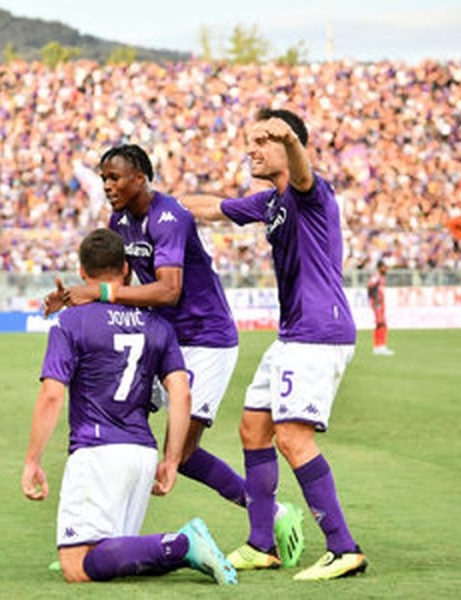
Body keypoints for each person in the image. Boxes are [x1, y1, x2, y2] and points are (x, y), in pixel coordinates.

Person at [45, 144, 306, 568]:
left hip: (205, 339)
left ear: (141, 179)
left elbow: (169, 289)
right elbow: (118, 281)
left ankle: (273, 514)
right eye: (104, 178)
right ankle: (95, 540)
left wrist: (100, 293)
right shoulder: (121, 221)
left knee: (179, 455)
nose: (107, 185)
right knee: (115, 427)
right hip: (161, 335)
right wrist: (79, 302)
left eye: (115, 178)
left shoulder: (170, 218)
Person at [182, 108, 368, 581]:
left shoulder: (311, 192)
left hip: (317, 334)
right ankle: (262, 543)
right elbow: (213, 207)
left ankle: (344, 547)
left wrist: (289, 139)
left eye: (262, 142)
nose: (251, 149)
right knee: (253, 429)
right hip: (292, 336)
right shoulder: (270, 203)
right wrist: (158, 202)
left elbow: (303, 172)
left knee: (292, 437)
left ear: (288, 146)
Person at [21, 228, 237, 585]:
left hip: (98, 450)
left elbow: (52, 394)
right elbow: (181, 393)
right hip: (142, 454)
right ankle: (173, 549)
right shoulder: (157, 325)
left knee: (77, 565)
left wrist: (32, 460)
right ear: (126, 269)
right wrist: (171, 458)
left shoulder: (71, 323)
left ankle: (182, 545)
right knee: (108, 556)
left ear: (82, 273)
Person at [367, 260, 395, 355]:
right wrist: (375, 300)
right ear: (379, 267)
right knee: (381, 323)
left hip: (380, 303)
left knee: (382, 324)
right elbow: (370, 287)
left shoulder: (381, 278)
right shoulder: (376, 277)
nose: (386, 269)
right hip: (377, 303)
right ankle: (379, 346)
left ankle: (380, 346)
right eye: (384, 267)